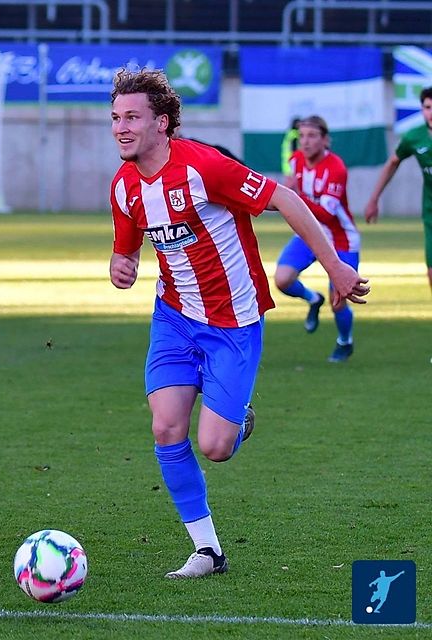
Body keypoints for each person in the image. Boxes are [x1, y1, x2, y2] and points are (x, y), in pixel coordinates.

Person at [108, 69, 369, 579]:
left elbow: (286, 199)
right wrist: (122, 266)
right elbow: (126, 253)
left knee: (215, 447)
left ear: (161, 123)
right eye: (116, 118)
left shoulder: (205, 167)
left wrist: (336, 266)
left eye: (133, 117)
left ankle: (236, 418)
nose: (121, 127)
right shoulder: (123, 187)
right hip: (174, 318)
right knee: (165, 427)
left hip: (233, 321)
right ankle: (207, 550)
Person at [274, 116, 360, 362]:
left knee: (339, 300)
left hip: (341, 240)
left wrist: (294, 194)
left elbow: (326, 213)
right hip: (308, 235)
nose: (305, 141)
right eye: (301, 136)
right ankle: (313, 299)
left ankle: (345, 341)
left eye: (312, 136)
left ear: (325, 139)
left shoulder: (336, 168)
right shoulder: (295, 161)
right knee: (282, 280)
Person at [365, 86, 432, 295]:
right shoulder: (415, 137)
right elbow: (393, 162)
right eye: (427, 107)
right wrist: (374, 198)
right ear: (422, 109)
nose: (431, 112)